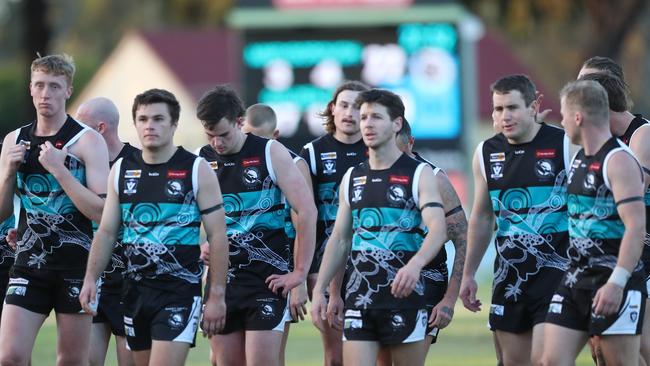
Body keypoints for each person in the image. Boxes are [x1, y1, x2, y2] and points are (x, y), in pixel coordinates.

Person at [79, 89, 229, 366]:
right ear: (134, 123)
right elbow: (107, 232)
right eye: (143, 118)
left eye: (159, 118)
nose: (150, 125)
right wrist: (91, 278)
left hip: (179, 292)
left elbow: (218, 235)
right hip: (134, 291)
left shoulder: (196, 169)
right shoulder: (122, 169)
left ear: (174, 124)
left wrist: (216, 295)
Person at [311, 88, 449, 366]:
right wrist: (322, 290)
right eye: (364, 117)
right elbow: (340, 239)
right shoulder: (352, 177)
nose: (367, 124)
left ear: (396, 123)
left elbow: (439, 229)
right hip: (360, 298)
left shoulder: (419, 173)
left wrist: (415, 265)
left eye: (376, 117)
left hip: (405, 298)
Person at [0, 54, 109, 366]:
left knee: (71, 361)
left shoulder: (87, 141)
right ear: (30, 89)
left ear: (68, 91)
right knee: (9, 357)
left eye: (54, 86)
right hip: (29, 264)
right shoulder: (14, 140)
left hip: (77, 267)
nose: (46, 93)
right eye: (40, 85)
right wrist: (8, 172)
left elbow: (101, 212)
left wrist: (60, 171)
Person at [196, 85, 316, 366]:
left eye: (223, 134)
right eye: (210, 135)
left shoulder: (270, 152)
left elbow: (307, 210)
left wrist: (299, 272)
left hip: (267, 281)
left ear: (240, 122)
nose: (217, 143)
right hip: (222, 283)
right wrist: (200, 246)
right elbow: (188, 218)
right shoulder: (201, 158)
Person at [459, 74, 571, 365]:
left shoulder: (565, 145)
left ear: (534, 106)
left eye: (512, 108)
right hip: (511, 278)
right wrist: (468, 273)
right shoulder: (486, 152)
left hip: (558, 277)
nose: (504, 116)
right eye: (498, 109)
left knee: (548, 361)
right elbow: (482, 217)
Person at [539, 79, 647, 366]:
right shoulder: (578, 159)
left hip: (613, 281)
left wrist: (617, 282)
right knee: (550, 360)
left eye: (563, 115)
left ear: (578, 117)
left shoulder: (619, 161)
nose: (561, 122)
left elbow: (636, 227)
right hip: (576, 279)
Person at [579, 70, 650, 366]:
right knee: (602, 351)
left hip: (642, 253)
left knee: (641, 347)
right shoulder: (605, 143)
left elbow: (632, 188)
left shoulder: (642, 133)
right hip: (616, 253)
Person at [299, 80, 369, 366]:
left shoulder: (379, 149)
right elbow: (302, 215)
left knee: (371, 353)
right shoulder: (313, 153)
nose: (349, 113)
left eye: (358, 107)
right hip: (325, 264)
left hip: (371, 264)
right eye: (344, 105)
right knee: (335, 356)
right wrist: (305, 272)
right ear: (332, 108)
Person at [241, 103, 312, 366]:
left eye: (260, 137)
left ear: (276, 135)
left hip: (279, 267)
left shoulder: (293, 163)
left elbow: (302, 220)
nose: (254, 143)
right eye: (248, 135)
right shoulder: (234, 161)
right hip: (241, 269)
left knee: (271, 355)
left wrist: (299, 281)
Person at [75, 97, 140, 366]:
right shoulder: (77, 164)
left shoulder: (138, 163)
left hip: (128, 282)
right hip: (91, 279)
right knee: (85, 360)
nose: (75, 134)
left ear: (100, 128)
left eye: (82, 127)